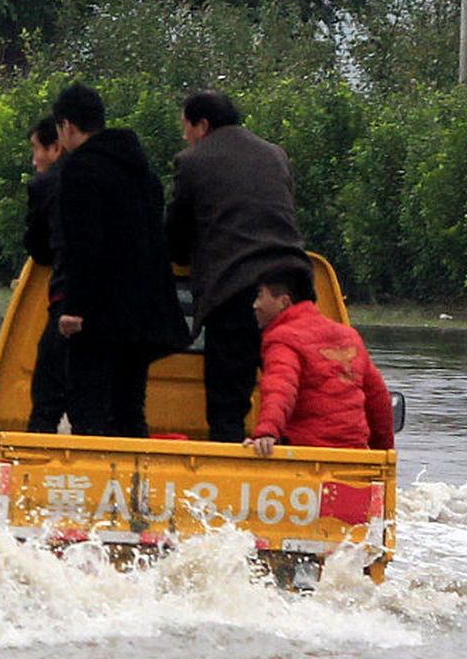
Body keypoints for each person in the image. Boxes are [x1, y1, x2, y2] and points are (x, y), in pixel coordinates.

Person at [166, 90, 309, 442]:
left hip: (234, 288)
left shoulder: (192, 161)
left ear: (202, 124)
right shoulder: (276, 155)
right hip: (295, 283)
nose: (185, 137)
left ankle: (227, 471)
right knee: (299, 387)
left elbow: (176, 236)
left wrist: (181, 256)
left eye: (186, 127)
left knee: (228, 398)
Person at [51, 82, 188, 437]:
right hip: (146, 316)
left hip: (100, 316)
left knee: (87, 405)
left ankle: (94, 485)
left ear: (66, 126)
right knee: (129, 410)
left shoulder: (79, 170)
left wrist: (73, 307)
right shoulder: (142, 173)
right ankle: (134, 486)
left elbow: (85, 243)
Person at [245, 266, 395, 456]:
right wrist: (383, 455)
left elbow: (281, 386)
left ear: (284, 302)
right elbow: (378, 399)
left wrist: (267, 431)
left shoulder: (283, 337)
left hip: (305, 456)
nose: (255, 305)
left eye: (260, 295)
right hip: (354, 456)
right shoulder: (349, 336)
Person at [23, 115, 69, 433]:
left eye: (36, 149)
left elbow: (39, 250)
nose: (34, 159)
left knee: (47, 397)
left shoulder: (49, 184)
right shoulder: (133, 181)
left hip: (69, 307)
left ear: (55, 147)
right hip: (129, 317)